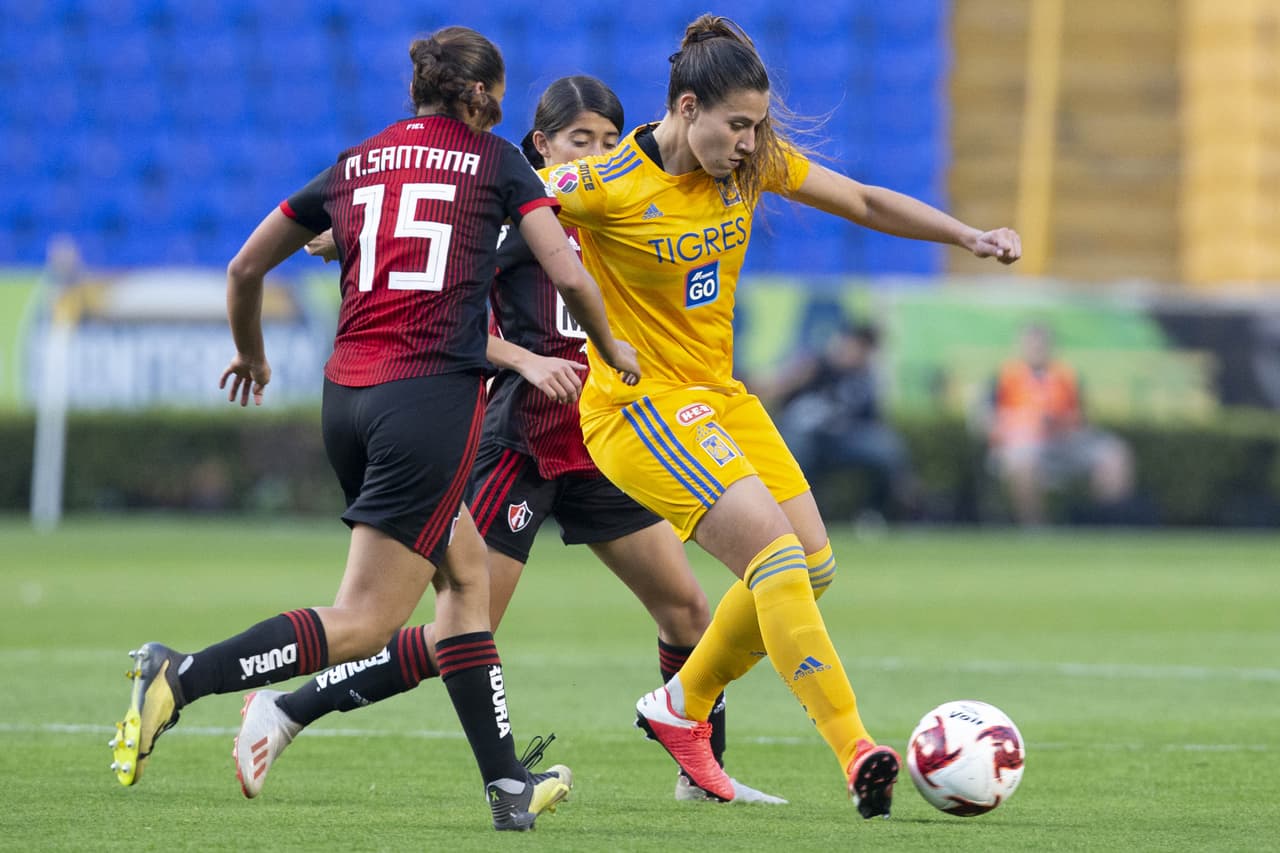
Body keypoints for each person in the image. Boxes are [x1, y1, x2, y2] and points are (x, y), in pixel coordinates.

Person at [108, 27, 640, 833]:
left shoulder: (358, 162)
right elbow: (566, 271)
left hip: (347, 400)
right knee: (365, 621)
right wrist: (611, 346)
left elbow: (245, 267)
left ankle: (509, 787)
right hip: (427, 405)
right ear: (481, 96)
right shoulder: (498, 161)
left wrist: (251, 354)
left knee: (466, 580)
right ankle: (180, 676)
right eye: (498, 97)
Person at [235, 76, 784, 805]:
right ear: (542, 147)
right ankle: (285, 708)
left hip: (600, 439)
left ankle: (701, 776)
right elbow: (441, 299)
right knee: (463, 629)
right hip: (521, 440)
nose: (595, 153)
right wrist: (521, 356)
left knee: (687, 609)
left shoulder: (620, 208)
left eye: (608, 140)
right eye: (579, 140)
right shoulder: (518, 220)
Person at [541, 14, 1021, 818]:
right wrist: (345, 232)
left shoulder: (748, 163)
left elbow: (863, 199)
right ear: (687, 108)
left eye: (757, 125)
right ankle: (856, 748)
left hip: (720, 398)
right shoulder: (605, 183)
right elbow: (498, 206)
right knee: (774, 560)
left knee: (815, 565)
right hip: (639, 407)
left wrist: (968, 236)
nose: (749, 142)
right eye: (737, 124)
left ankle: (681, 702)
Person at [765, 319, 916, 524]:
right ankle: (790, 514)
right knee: (797, 448)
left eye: (866, 349)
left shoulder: (864, 380)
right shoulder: (815, 365)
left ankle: (877, 513)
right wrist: (794, 378)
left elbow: (872, 421)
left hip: (840, 440)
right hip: (804, 435)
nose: (859, 353)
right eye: (857, 345)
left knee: (886, 448)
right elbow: (778, 394)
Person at [986, 322, 1134, 526]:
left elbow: (1082, 417)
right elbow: (990, 419)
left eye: (1041, 344)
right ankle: (1035, 527)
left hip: (1064, 442)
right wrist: (1022, 425)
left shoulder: (1065, 375)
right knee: (1023, 462)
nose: (1037, 349)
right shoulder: (1006, 377)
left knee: (1115, 454)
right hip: (1024, 445)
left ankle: (1107, 522)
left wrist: (1060, 423)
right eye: (1032, 344)